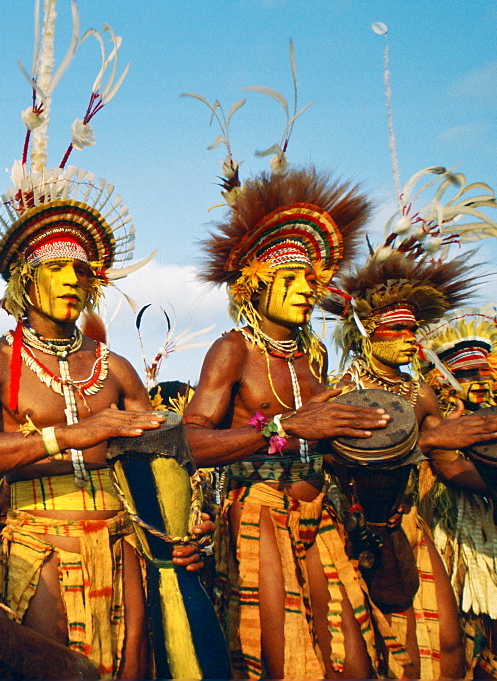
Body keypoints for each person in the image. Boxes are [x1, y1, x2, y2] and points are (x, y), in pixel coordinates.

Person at [0, 4, 210, 677]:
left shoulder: (113, 366)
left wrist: (187, 519)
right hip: (36, 545)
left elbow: (164, 446)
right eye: (55, 266)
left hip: (123, 541)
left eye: (81, 268)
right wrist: (70, 437)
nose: (71, 278)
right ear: (24, 280)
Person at [183, 166, 410, 679]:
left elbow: (322, 437)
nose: (306, 291)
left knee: (355, 661)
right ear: (254, 286)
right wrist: (280, 427)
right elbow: (192, 441)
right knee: (283, 663)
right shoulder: (232, 350)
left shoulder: (315, 356)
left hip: (321, 510)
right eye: (290, 280)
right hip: (259, 512)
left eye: (312, 281)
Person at [322, 248, 497, 678]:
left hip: (411, 522)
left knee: (448, 642)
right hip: (355, 525)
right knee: (371, 643)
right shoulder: (344, 389)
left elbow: (448, 463)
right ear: (368, 333)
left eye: (413, 329)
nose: (410, 338)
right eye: (398, 329)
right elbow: (340, 459)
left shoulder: (420, 393)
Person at [418, 307, 497, 675]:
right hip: (450, 543)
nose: (480, 380)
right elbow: (453, 472)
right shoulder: (439, 416)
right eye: (466, 373)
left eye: (484, 370)